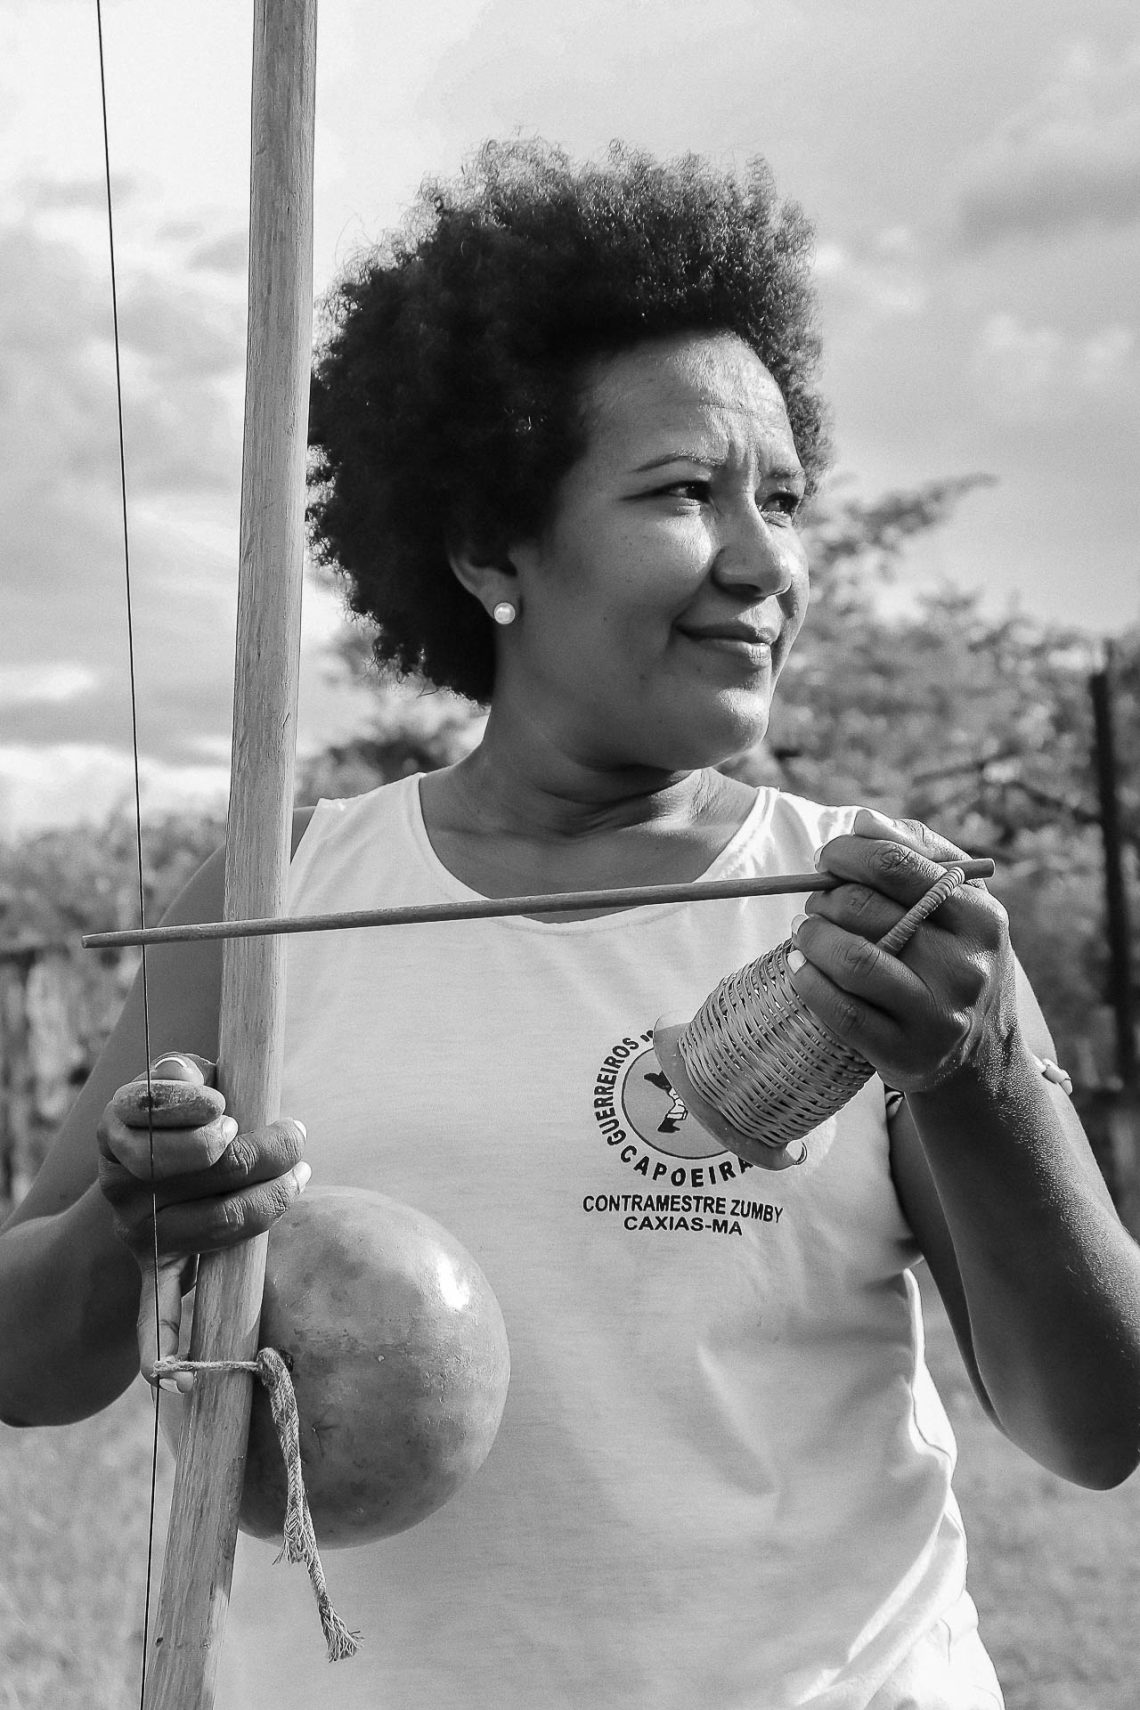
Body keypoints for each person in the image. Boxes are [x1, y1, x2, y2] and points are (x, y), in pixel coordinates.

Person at [2, 140, 1140, 1710]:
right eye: (682, 492)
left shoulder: (881, 919)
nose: (766, 561)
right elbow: (24, 1362)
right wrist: (129, 1226)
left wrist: (977, 1073)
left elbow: (1096, 1425)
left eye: (783, 498)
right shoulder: (280, 891)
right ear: (491, 546)